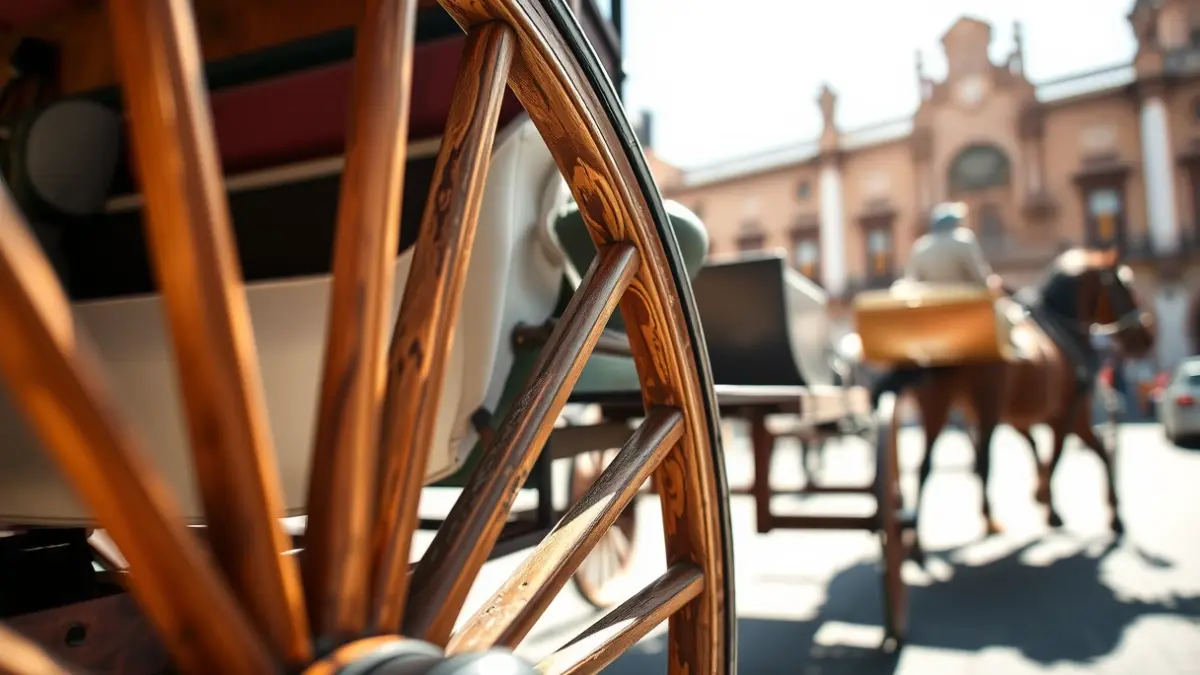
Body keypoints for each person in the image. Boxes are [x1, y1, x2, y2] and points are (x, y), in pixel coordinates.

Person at [902, 201, 1004, 293]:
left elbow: (911, 279)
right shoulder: (963, 239)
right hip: (963, 303)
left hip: (931, 304)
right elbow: (979, 276)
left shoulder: (921, 245)